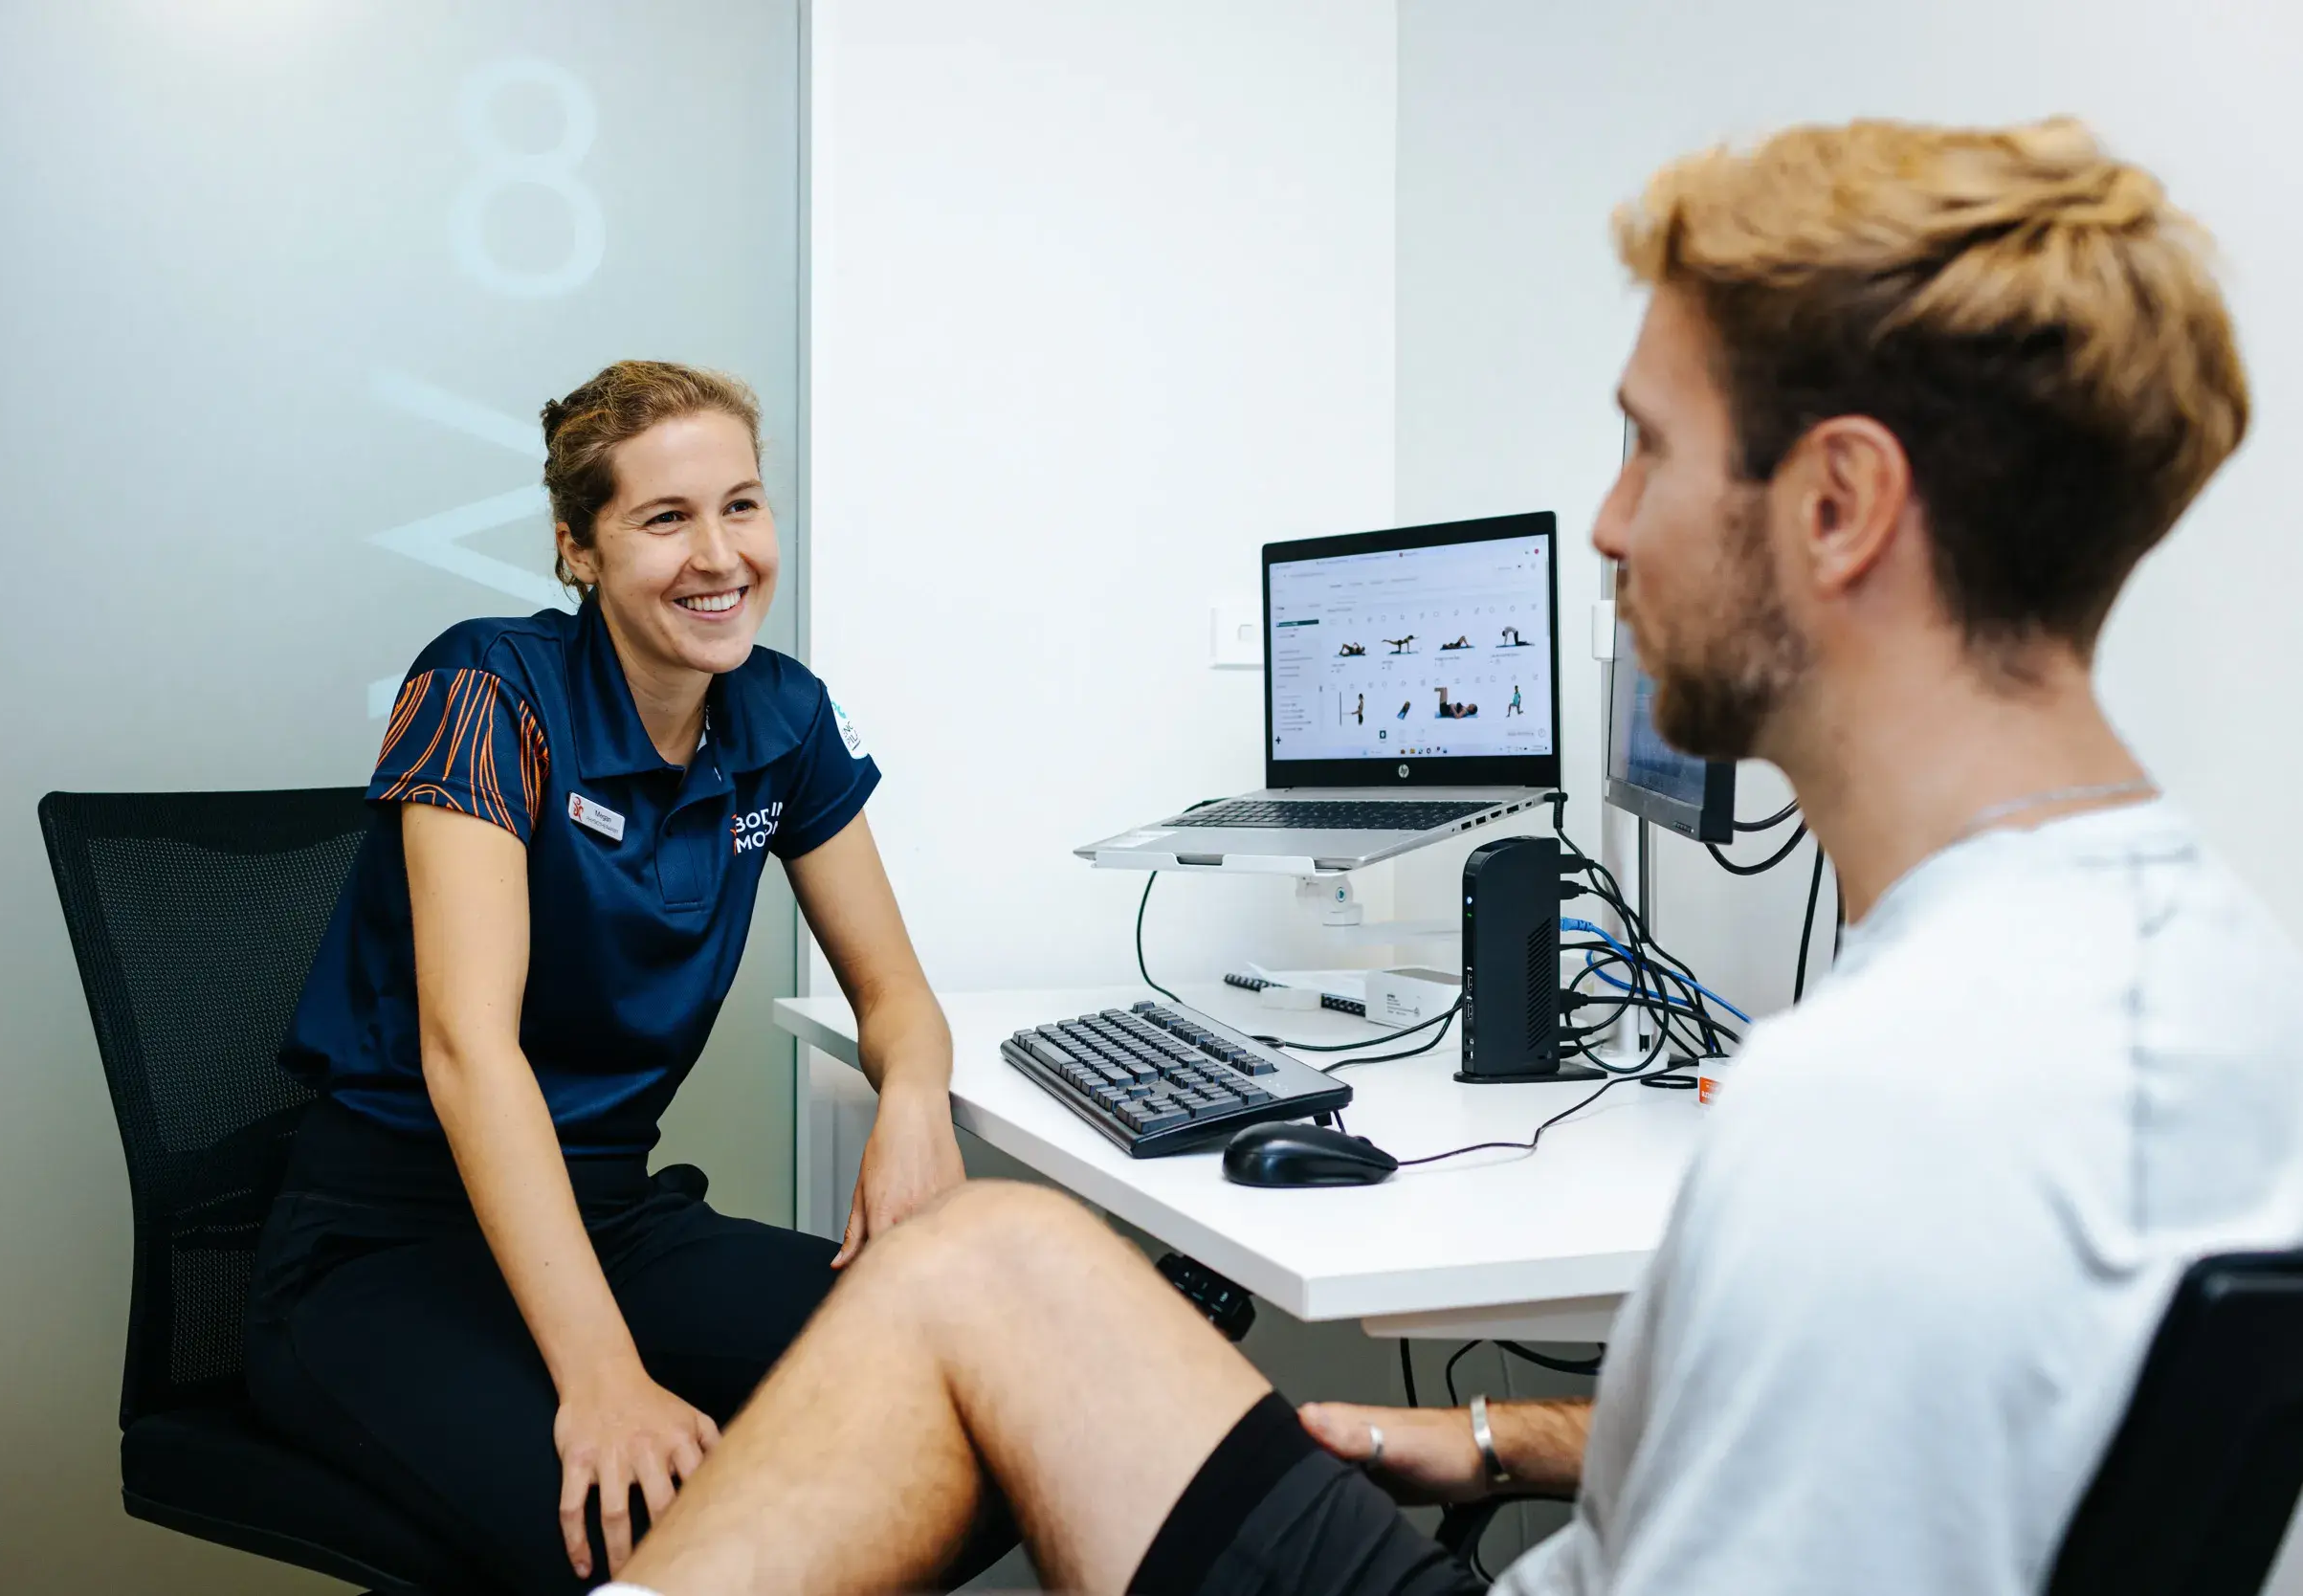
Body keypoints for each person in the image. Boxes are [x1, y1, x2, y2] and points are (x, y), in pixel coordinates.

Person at [614, 118, 2297, 1596]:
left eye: (1649, 443)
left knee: (977, 1265)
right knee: (994, 1258)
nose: (1609, 522)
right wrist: (1501, 1439)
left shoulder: (1872, 1109)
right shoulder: (2207, 992)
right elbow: (1906, 1450)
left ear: (1840, 505)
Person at [247, 361, 966, 1595]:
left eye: (742, 505)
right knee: (642, 1539)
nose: (720, 556)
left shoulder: (781, 720)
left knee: (976, 1388)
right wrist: (603, 1378)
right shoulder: (486, 689)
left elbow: (898, 998)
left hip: (610, 1217)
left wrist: (911, 1106)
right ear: (578, 550)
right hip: (389, 1245)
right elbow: (469, 1051)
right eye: (665, 519)